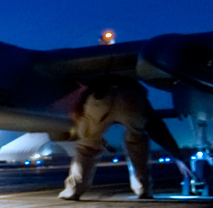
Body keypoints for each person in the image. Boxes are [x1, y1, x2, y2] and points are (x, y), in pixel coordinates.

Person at [58, 75, 187, 200]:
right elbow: (157, 126)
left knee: (87, 146)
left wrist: (89, 133)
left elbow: (77, 113)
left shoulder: (92, 88)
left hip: (99, 97)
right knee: (137, 141)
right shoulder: (135, 89)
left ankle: (73, 191)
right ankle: (143, 189)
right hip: (130, 97)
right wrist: (176, 153)